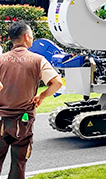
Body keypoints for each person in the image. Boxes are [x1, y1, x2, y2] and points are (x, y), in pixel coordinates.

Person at [0, 21, 62, 179]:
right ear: (26, 37)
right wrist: (41, 96)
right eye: (32, 37)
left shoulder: (1, 59)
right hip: (23, 122)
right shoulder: (38, 60)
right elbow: (57, 83)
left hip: (1, 119)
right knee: (18, 164)